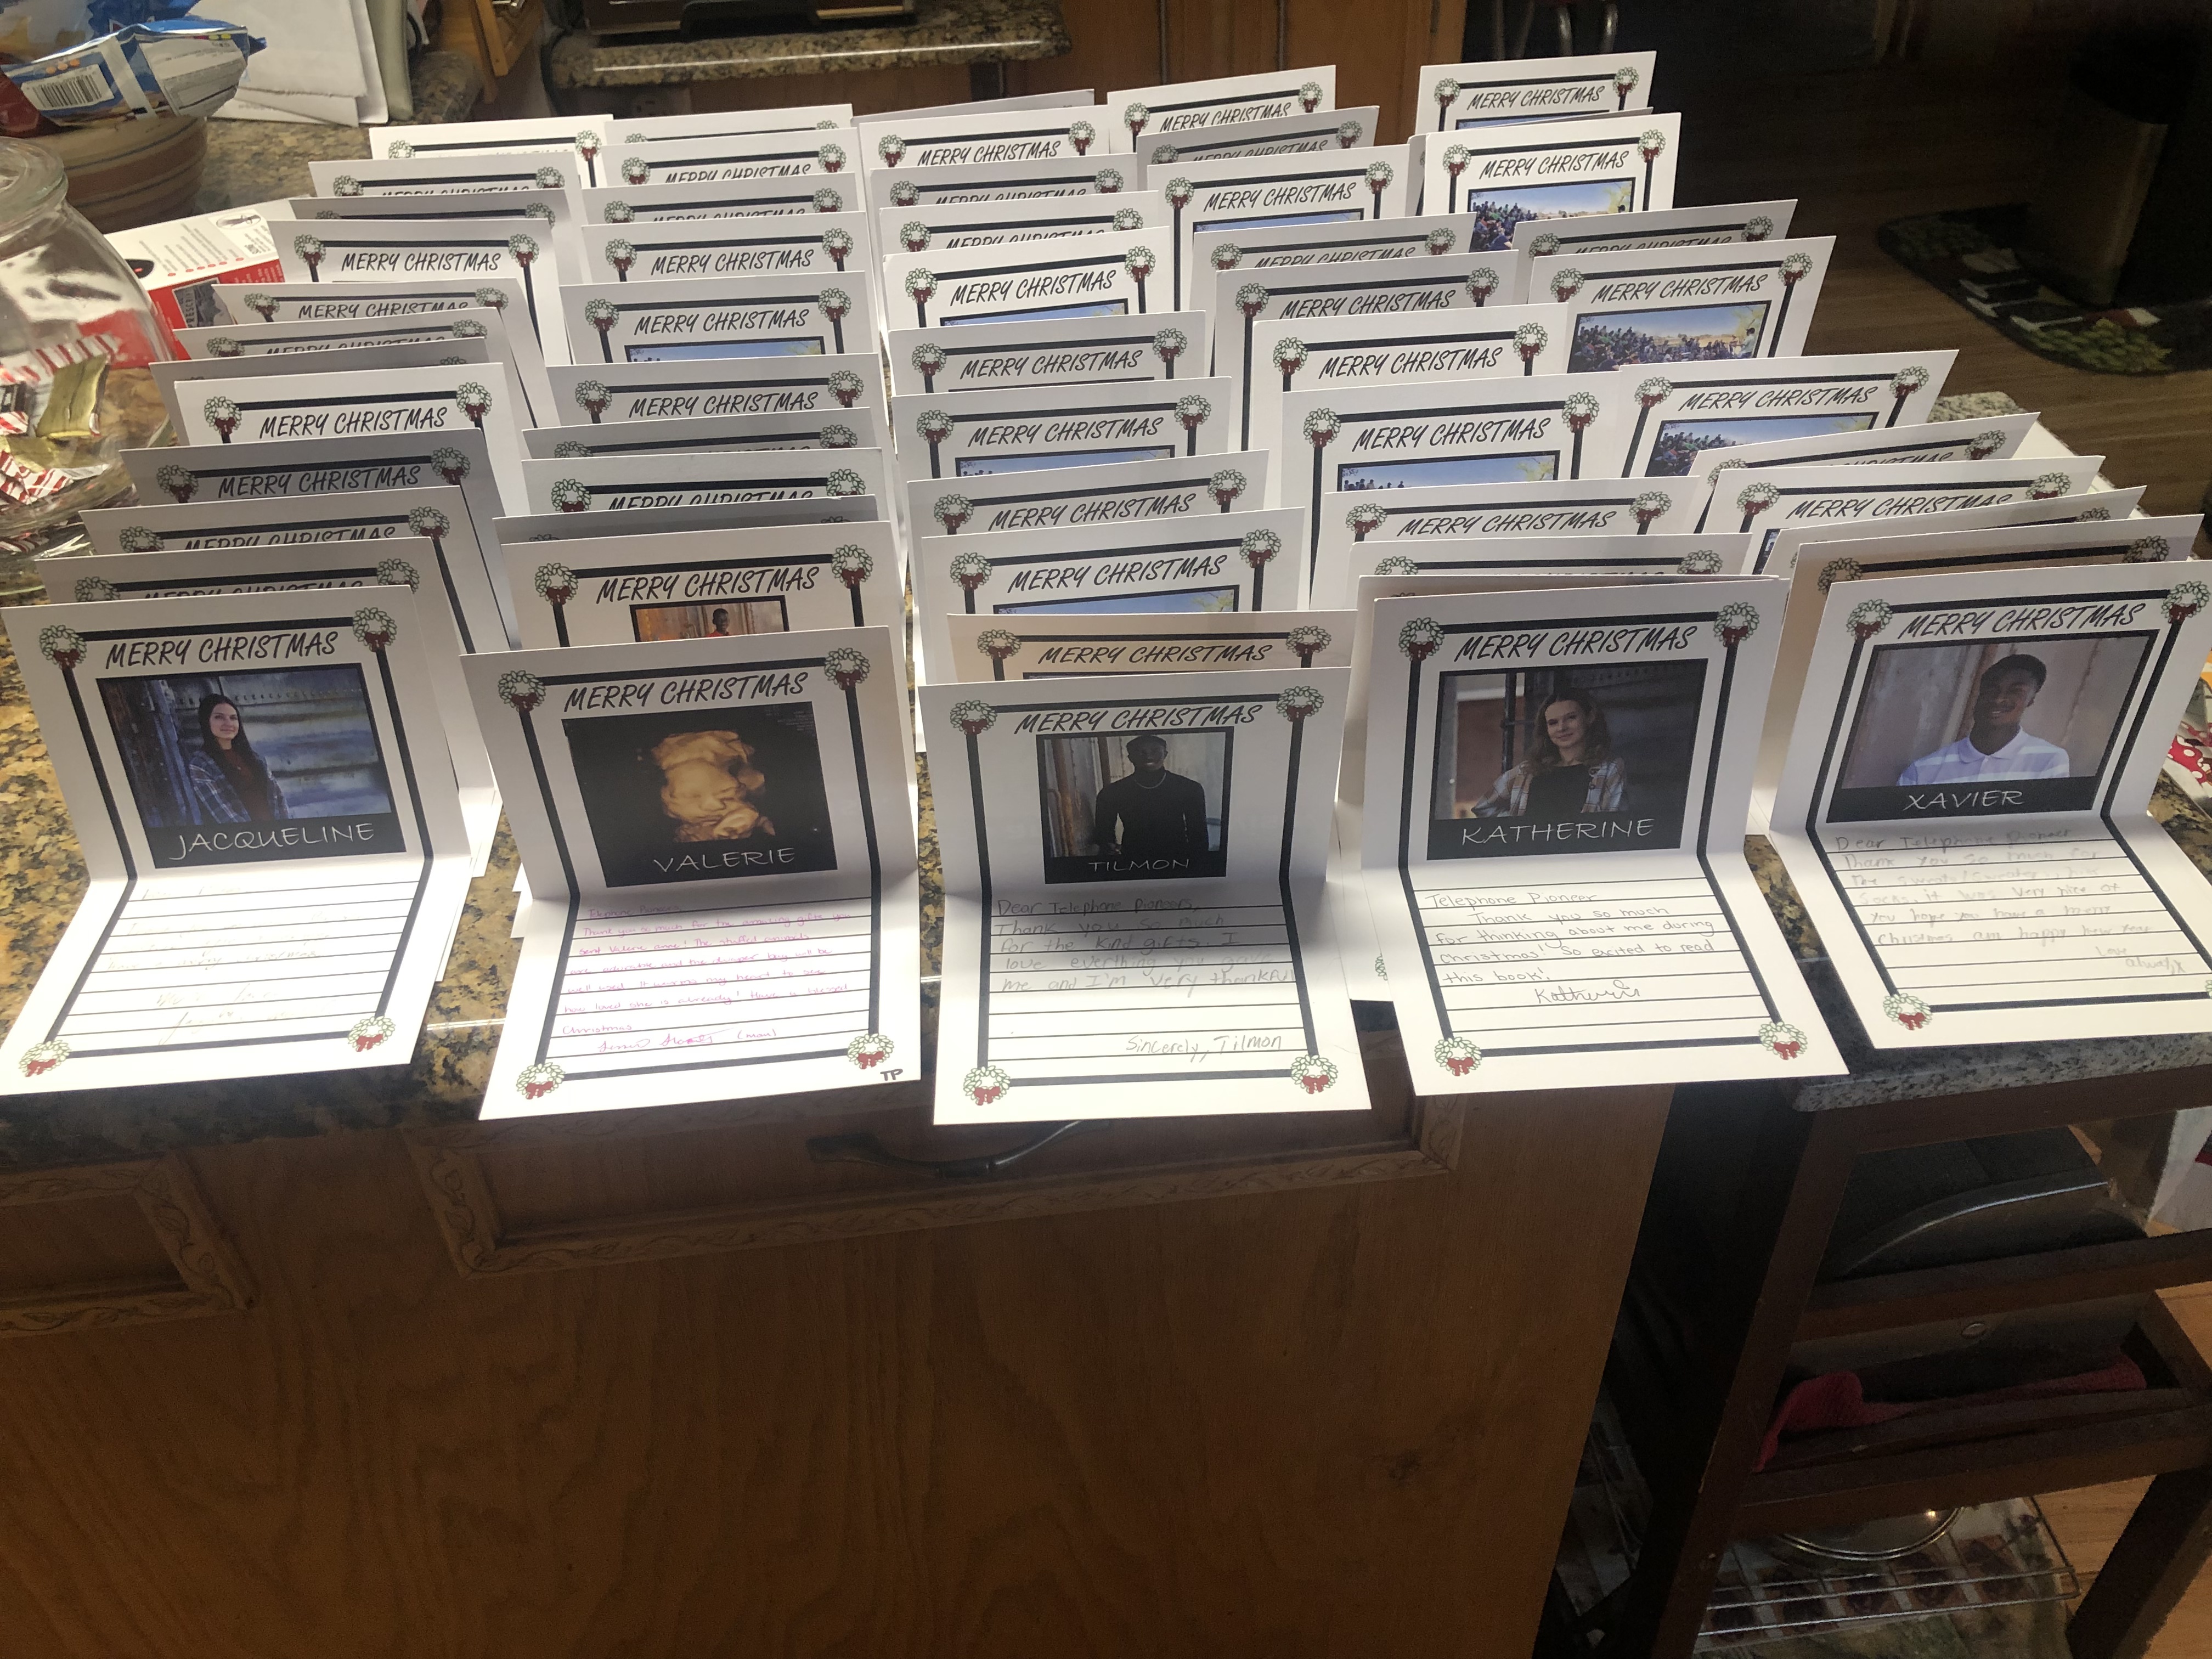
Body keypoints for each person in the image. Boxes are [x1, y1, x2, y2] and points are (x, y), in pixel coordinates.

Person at [1897, 653, 2070, 785]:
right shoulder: (1922, 771)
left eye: (2016, 691)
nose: (1999, 699)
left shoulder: (2049, 760)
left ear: (2031, 700)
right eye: (1992, 689)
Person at [1470, 687, 1626, 819]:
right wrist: (1516, 827)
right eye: (1553, 723)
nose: (1562, 728)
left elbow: (1613, 822)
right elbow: (1484, 808)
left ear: (1590, 717)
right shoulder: (1527, 771)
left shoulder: (1610, 768)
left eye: (1571, 718)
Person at [1092, 735, 1209, 859]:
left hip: (1178, 860)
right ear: (1131, 758)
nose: (1148, 756)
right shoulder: (1111, 793)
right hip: (1134, 861)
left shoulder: (1189, 789)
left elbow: (1199, 836)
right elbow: (1105, 838)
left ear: (1165, 754)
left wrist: (1197, 865)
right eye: (1140, 752)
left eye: (1155, 751)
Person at [651, 730, 774, 842]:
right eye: (691, 797)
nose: (713, 806)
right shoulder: (658, 836)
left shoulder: (759, 821)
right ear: (662, 798)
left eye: (726, 794)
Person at [184, 694, 287, 824]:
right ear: (206, 722)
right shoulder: (200, 764)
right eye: (219, 717)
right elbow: (222, 813)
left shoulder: (255, 758)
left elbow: (278, 798)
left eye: (233, 718)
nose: (228, 723)